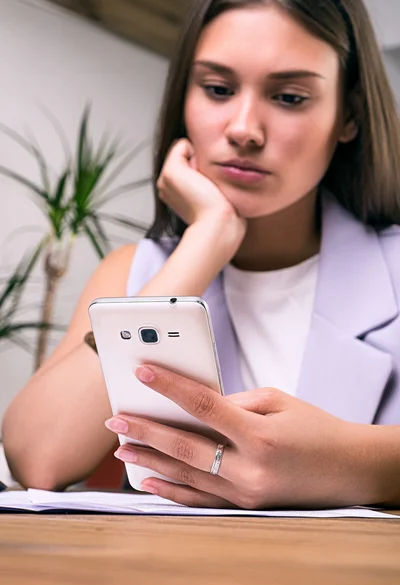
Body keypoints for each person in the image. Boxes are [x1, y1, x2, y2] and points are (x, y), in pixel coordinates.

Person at [3, 0, 400, 509]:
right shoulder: (136, 270)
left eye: (289, 97)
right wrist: (205, 242)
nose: (244, 129)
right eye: (217, 89)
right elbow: (39, 459)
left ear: (348, 116)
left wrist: (348, 462)